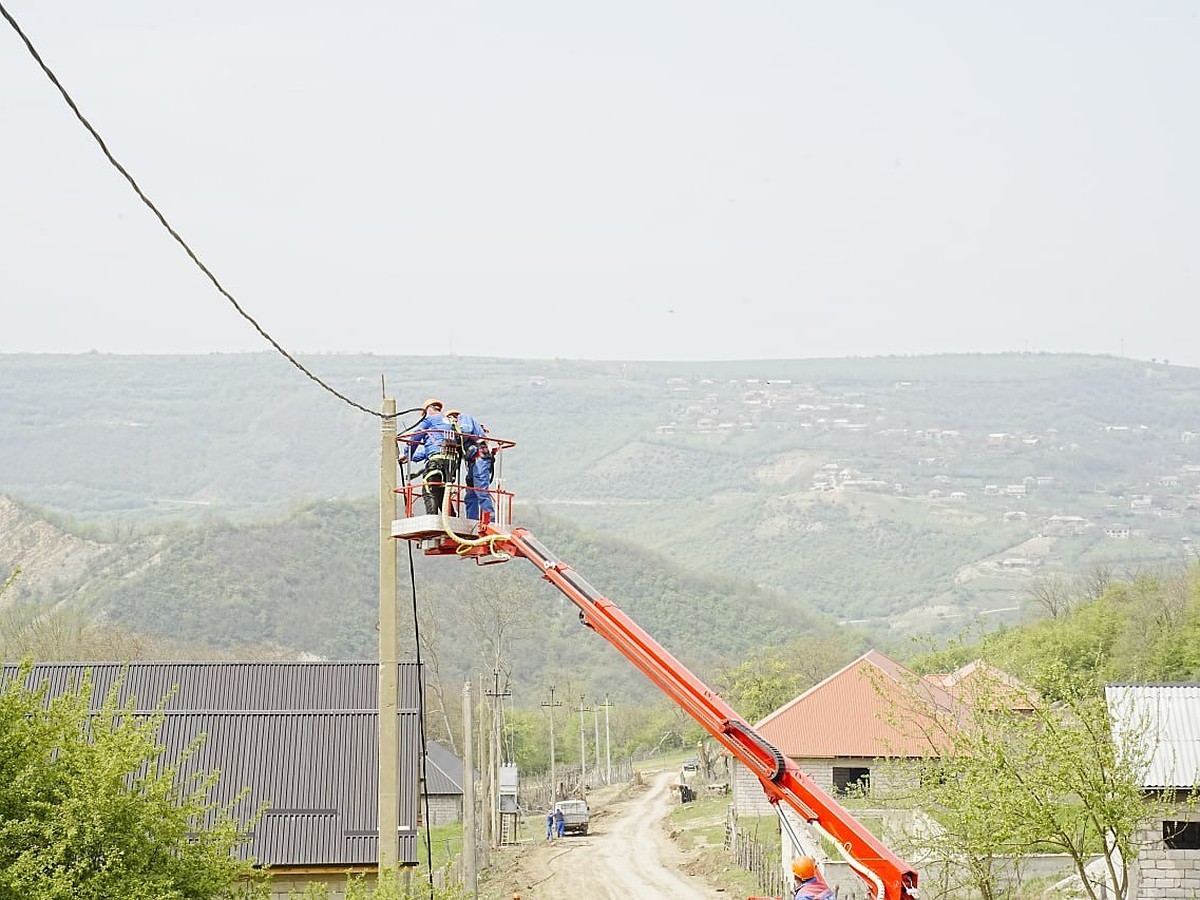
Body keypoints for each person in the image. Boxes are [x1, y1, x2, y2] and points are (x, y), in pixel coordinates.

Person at [400, 398, 460, 515]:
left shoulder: (429, 419)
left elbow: (415, 438)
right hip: (451, 463)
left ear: (428, 410)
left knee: (429, 489)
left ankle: (432, 517)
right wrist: (410, 457)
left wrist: (407, 453)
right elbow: (429, 451)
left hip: (436, 462)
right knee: (443, 491)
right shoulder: (449, 423)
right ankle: (451, 518)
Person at [443, 409, 496, 520]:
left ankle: (490, 519)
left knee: (480, 489)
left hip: (480, 458)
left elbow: (466, 431)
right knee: (470, 493)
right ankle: (472, 520)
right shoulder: (459, 431)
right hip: (473, 463)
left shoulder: (464, 418)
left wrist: (455, 435)